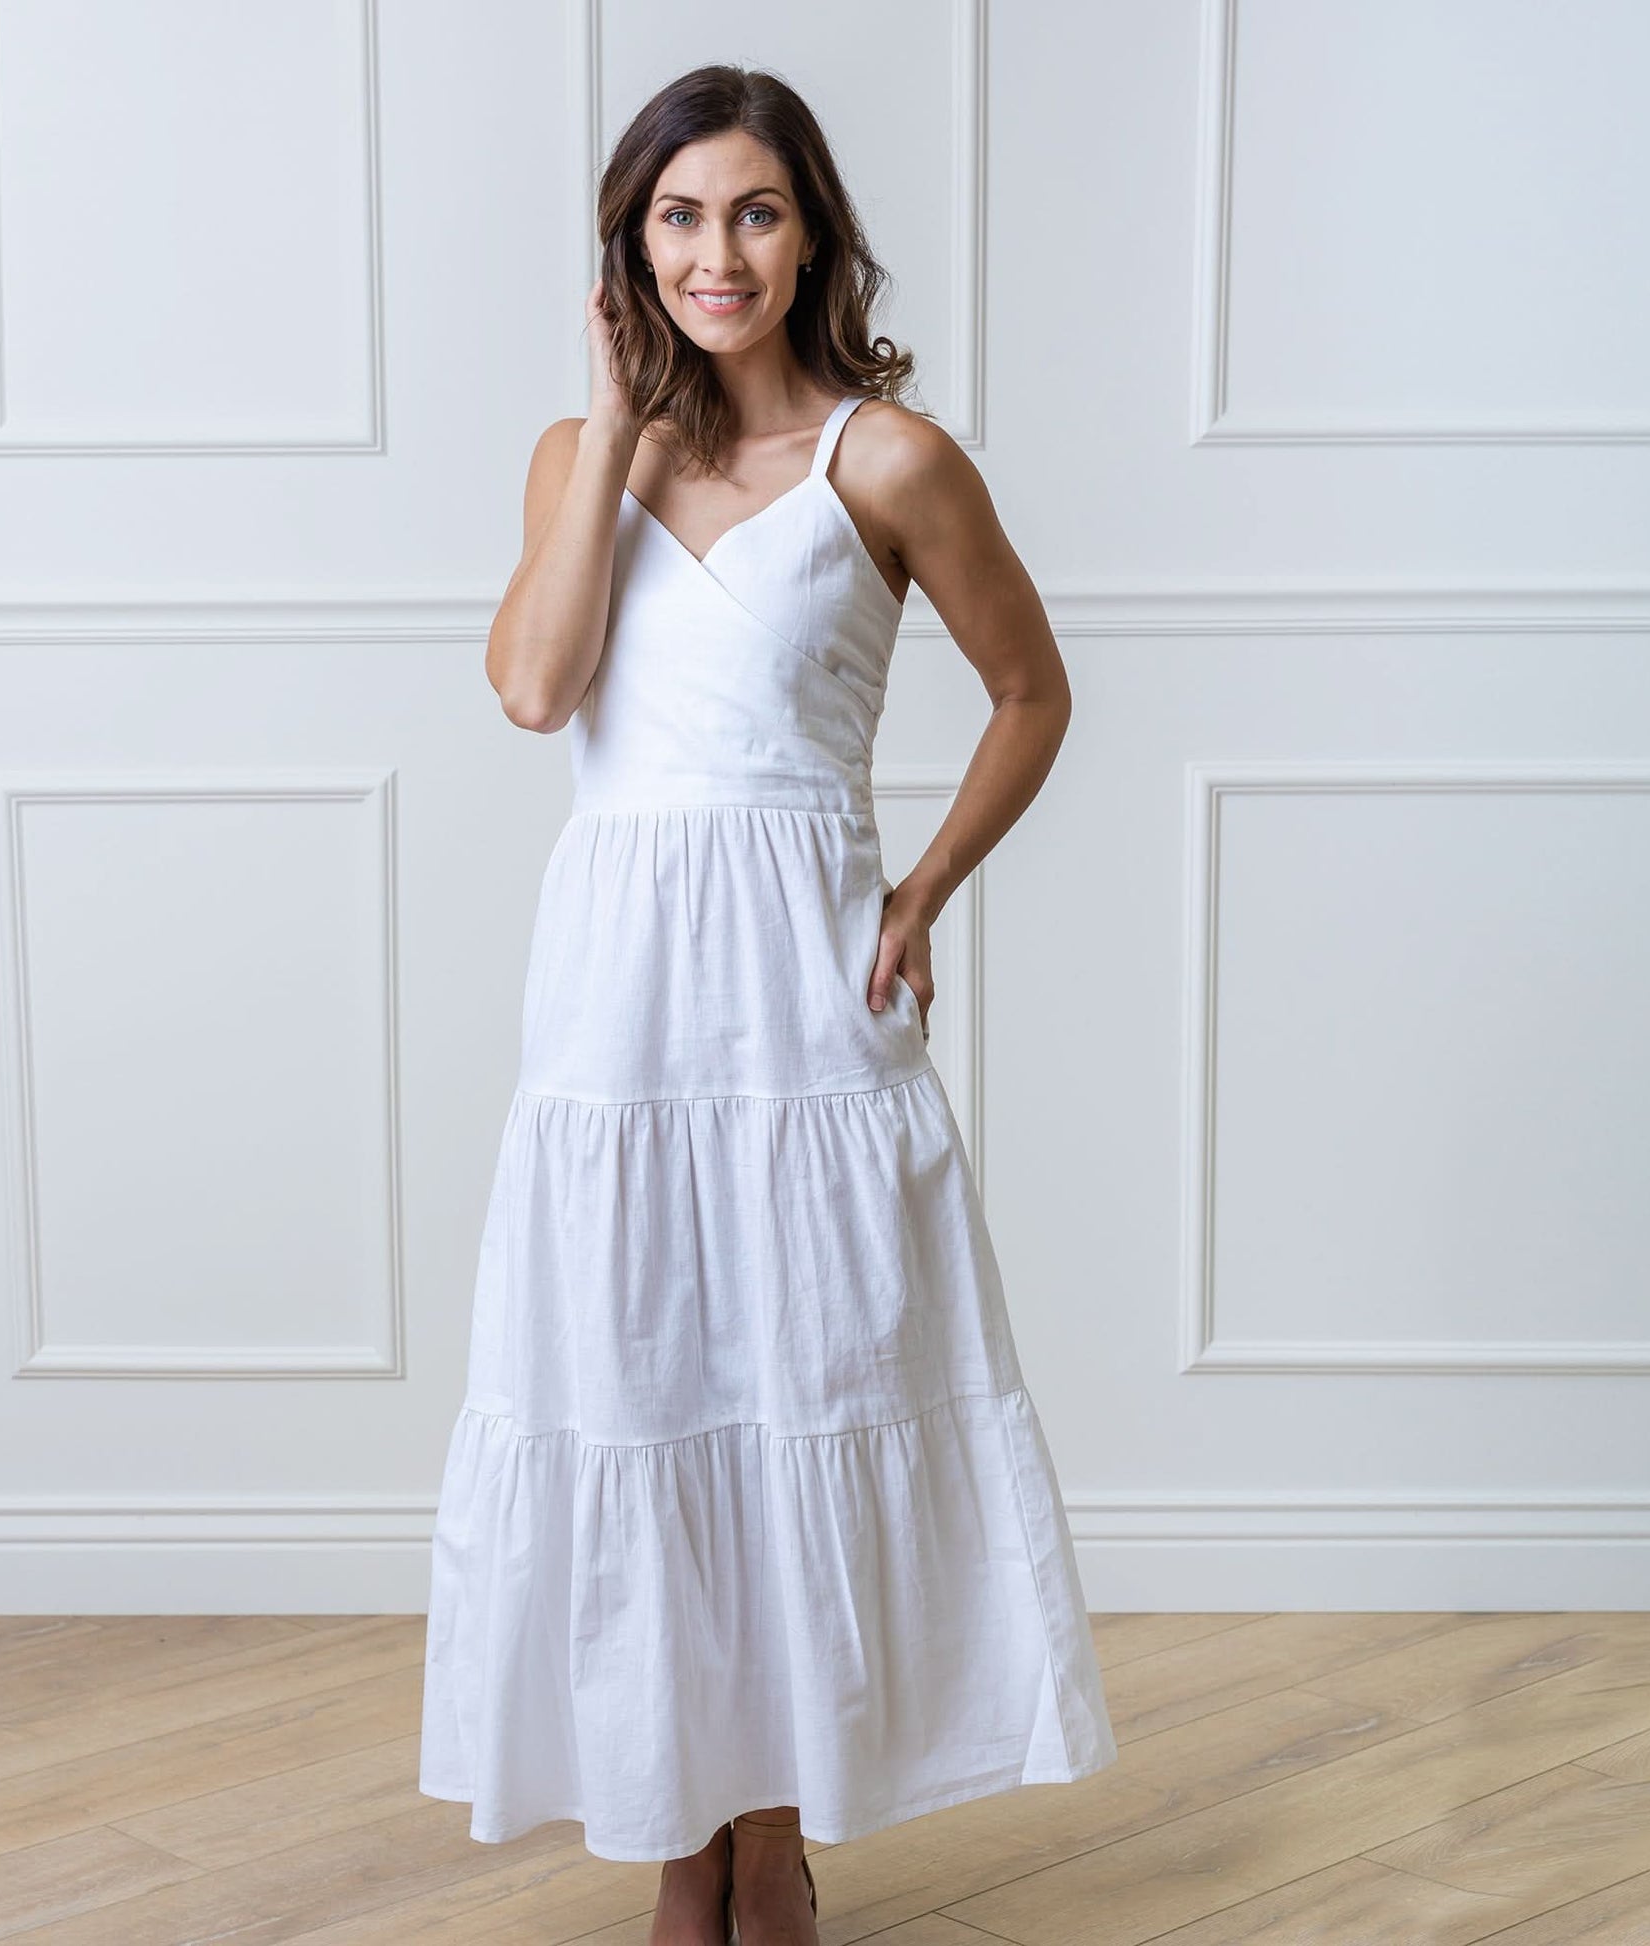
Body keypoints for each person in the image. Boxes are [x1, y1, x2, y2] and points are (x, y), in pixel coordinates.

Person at [417, 63, 1117, 1945]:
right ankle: (682, 1830)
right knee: (641, 1384)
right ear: (629, 247)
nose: (714, 252)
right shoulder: (580, 461)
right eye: (677, 216)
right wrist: (607, 425)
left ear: (810, 234)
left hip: (802, 994)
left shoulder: (886, 461)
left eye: (752, 210)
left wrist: (921, 887)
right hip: (617, 1008)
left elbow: (1032, 691)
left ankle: (776, 1830)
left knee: (805, 1382)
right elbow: (535, 692)